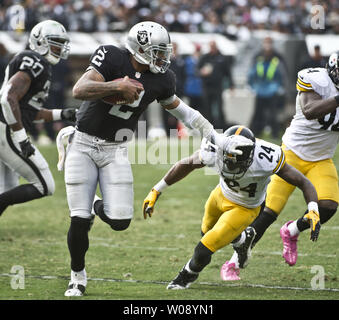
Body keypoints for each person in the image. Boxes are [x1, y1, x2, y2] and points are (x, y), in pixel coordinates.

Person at [61, 21, 253, 297]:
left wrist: (217, 137)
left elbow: (186, 113)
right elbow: (80, 89)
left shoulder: (162, 79)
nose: (164, 57)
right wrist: (117, 85)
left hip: (115, 149)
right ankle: (77, 277)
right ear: (139, 49)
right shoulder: (112, 57)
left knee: (121, 220)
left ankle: (94, 204)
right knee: (78, 219)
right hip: (82, 143)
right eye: (158, 51)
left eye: (165, 51)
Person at [143, 125, 320, 289]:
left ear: (250, 155)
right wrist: (156, 190)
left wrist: (313, 208)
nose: (232, 165)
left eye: (237, 161)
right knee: (205, 231)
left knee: (203, 248)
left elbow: (303, 182)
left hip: (245, 208)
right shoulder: (215, 148)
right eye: (228, 160)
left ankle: (186, 276)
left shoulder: (267, 157)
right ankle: (242, 240)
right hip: (220, 194)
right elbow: (187, 164)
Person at [222, 51, 339, 280]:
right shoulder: (316, 79)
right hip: (291, 156)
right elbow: (310, 110)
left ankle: (292, 230)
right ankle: (233, 263)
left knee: (327, 207)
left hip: (321, 159)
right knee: (267, 213)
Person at [0, 20, 76, 216]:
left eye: (61, 42)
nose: (60, 47)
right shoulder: (36, 61)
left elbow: (28, 111)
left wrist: (63, 114)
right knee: (45, 185)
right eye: (55, 42)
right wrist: (21, 138)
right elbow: (8, 99)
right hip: (7, 130)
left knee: (6, 189)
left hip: (6, 127)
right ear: (40, 42)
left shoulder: (38, 64)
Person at [248, 36, 286, 139]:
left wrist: (280, 87)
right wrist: (251, 87)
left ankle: (275, 134)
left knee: (273, 114)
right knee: (257, 114)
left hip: (272, 91)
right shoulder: (258, 57)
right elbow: (251, 74)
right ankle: (254, 133)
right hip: (260, 91)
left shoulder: (277, 58)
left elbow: (282, 74)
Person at [198, 40, 234, 131]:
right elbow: (197, 70)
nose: (212, 49)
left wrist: (231, 85)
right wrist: (202, 72)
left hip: (218, 86)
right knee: (207, 108)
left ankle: (221, 128)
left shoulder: (222, 58)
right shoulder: (205, 57)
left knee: (219, 107)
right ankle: (209, 128)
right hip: (207, 86)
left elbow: (228, 72)